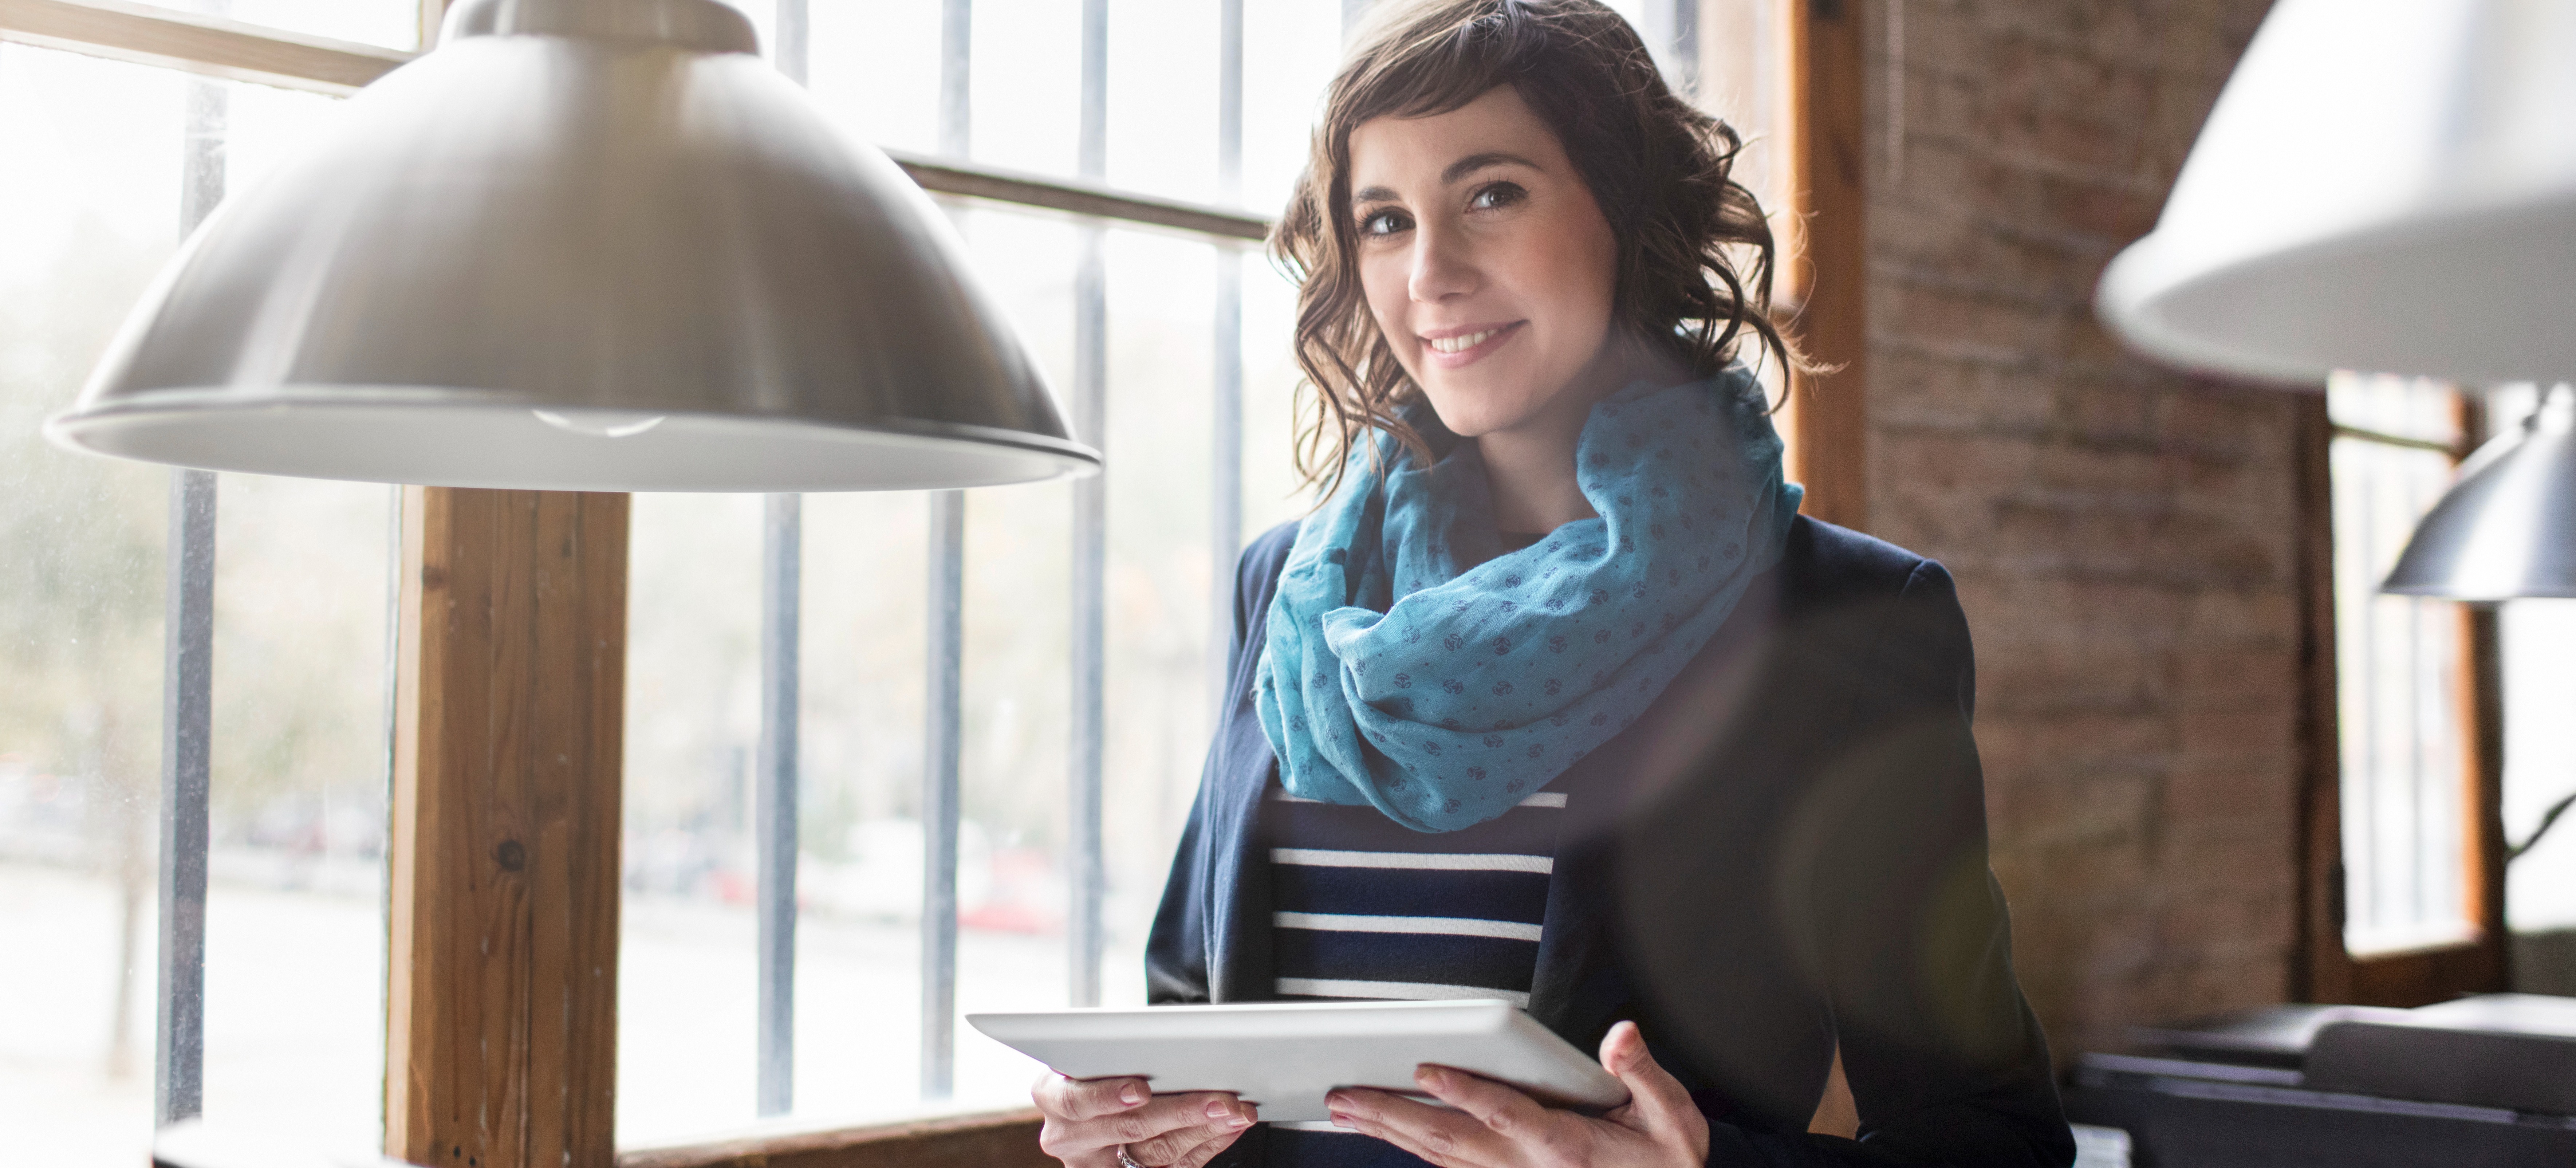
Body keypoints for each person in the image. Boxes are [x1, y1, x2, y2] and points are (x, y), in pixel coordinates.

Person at [1032, 2, 2074, 1165]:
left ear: (1628, 214)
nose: (1430, 273)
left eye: (1491, 194)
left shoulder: (1846, 623)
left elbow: (1993, 1142)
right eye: (1383, 220)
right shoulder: (1288, 592)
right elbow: (1186, 1013)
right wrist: (1122, 1127)